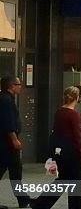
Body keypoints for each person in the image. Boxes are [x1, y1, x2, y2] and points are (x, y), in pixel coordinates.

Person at [33, 86, 81, 209]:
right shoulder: (74, 114)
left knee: (63, 179)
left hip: (61, 151)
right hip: (73, 152)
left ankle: (40, 203)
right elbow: (78, 135)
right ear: (77, 98)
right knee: (76, 181)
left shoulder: (59, 111)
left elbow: (58, 131)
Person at [0, 77, 31, 209]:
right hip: (6, 143)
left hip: (6, 143)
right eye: (18, 84)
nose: (20, 87)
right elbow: (8, 122)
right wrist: (14, 139)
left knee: (15, 171)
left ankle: (23, 199)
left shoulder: (7, 99)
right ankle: (23, 199)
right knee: (13, 170)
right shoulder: (5, 100)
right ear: (11, 86)